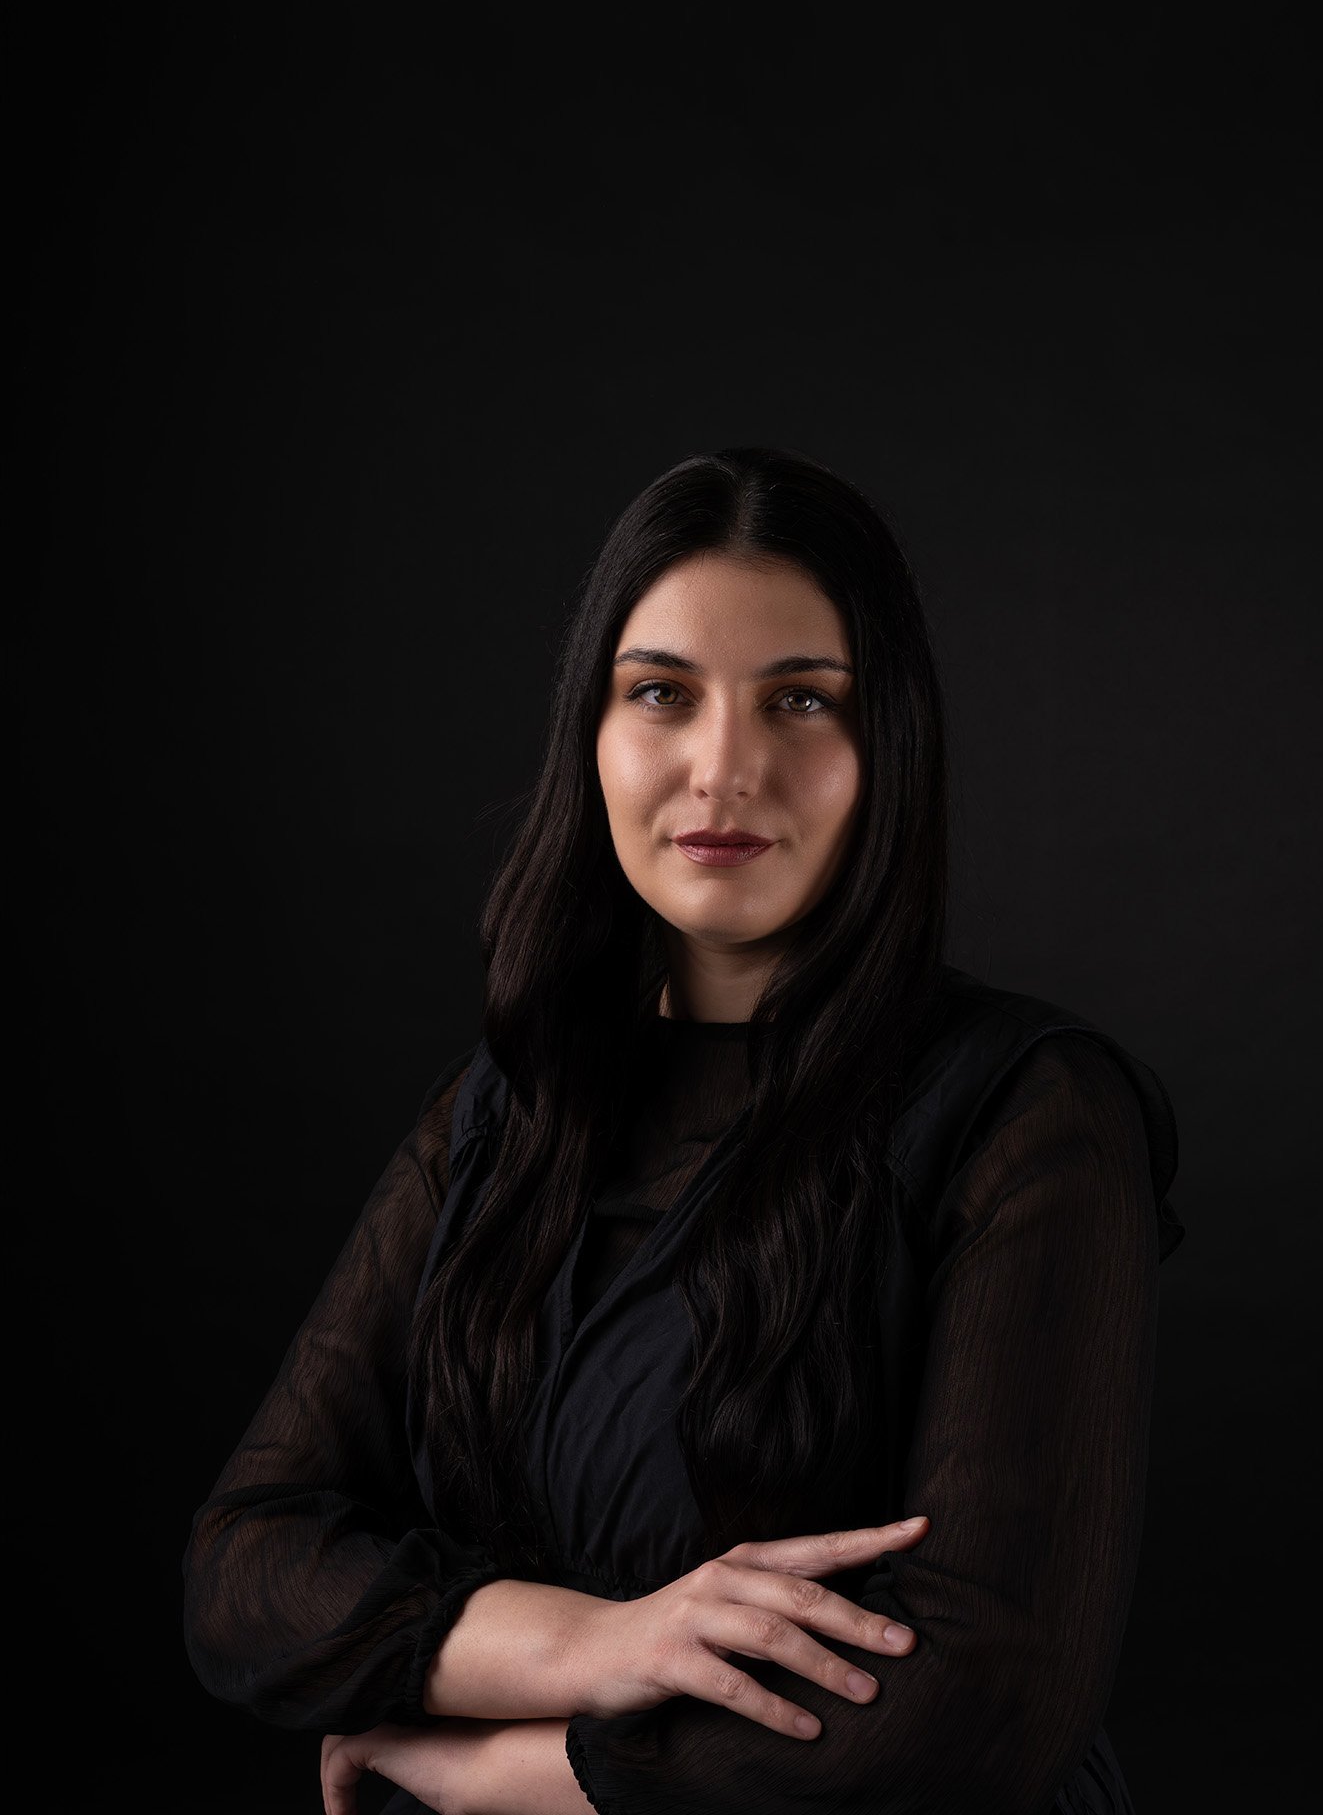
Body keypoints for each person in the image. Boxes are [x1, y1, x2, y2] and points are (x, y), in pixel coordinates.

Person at [182, 445, 1185, 1815]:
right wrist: (591, 1645)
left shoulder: (1030, 1114)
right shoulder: (503, 1109)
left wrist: (501, 1772)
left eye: (802, 701)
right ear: (590, 736)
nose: (725, 769)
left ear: (887, 748)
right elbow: (244, 1572)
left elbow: (986, 1703)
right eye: (662, 693)